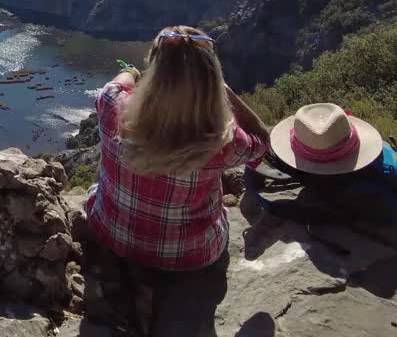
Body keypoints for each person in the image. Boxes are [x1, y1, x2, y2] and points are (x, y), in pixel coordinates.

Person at [86, 25, 272, 271]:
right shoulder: (223, 141)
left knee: (103, 166)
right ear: (210, 79)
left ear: (154, 71)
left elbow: (117, 85)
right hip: (191, 256)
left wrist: (131, 71)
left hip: (109, 234)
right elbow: (262, 140)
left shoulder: (113, 105)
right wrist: (222, 88)